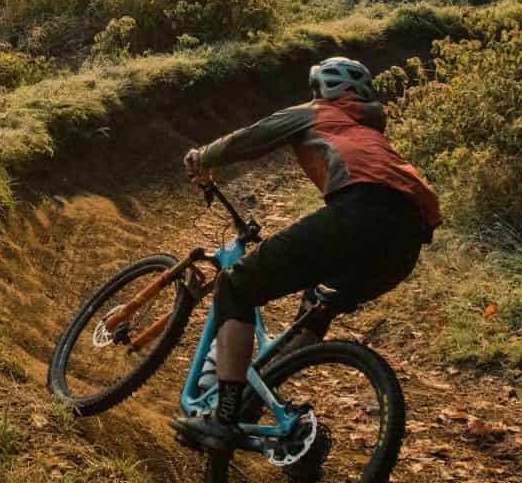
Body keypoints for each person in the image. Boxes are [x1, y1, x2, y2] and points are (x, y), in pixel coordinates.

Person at [172, 56, 441, 453]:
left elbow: (252, 137)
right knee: (317, 308)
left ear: (322, 89)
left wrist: (204, 156)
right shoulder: (371, 134)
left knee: (238, 285)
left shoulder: (318, 113)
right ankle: (266, 407)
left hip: (360, 212)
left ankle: (223, 418)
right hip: (406, 244)